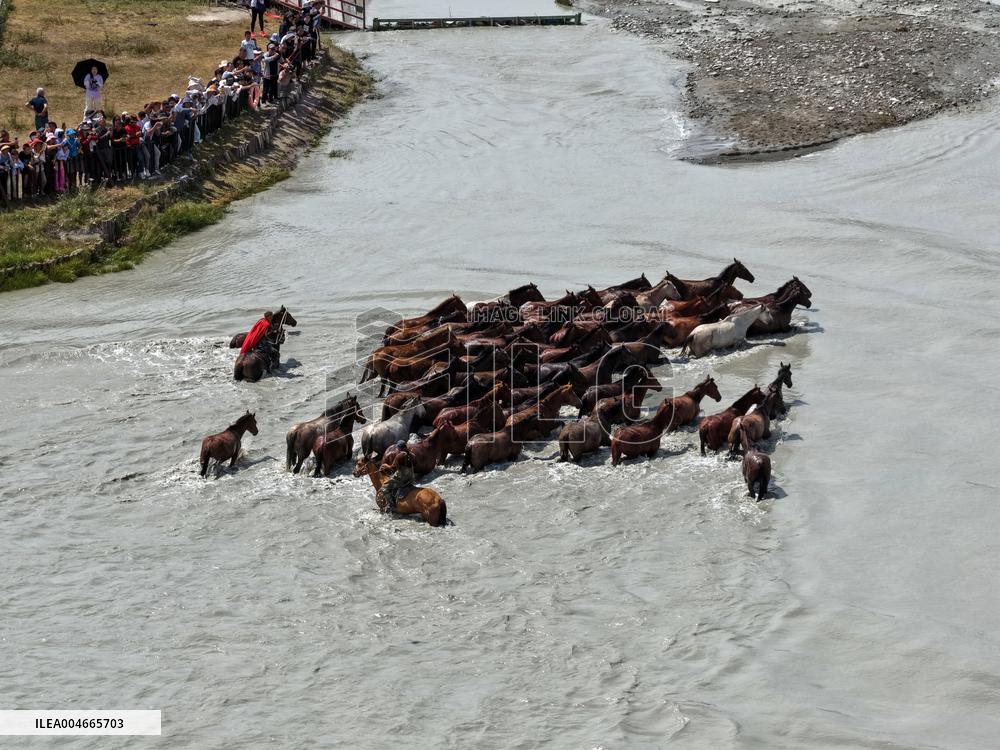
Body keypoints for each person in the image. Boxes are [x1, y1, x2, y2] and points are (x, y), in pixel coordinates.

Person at [379, 441, 415, 511]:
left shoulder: (399, 456)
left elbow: (392, 468)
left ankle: (391, 505)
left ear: (399, 448)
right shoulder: (412, 455)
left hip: (401, 479)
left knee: (384, 489)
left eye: (397, 448)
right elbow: (415, 463)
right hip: (411, 478)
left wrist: (386, 465)